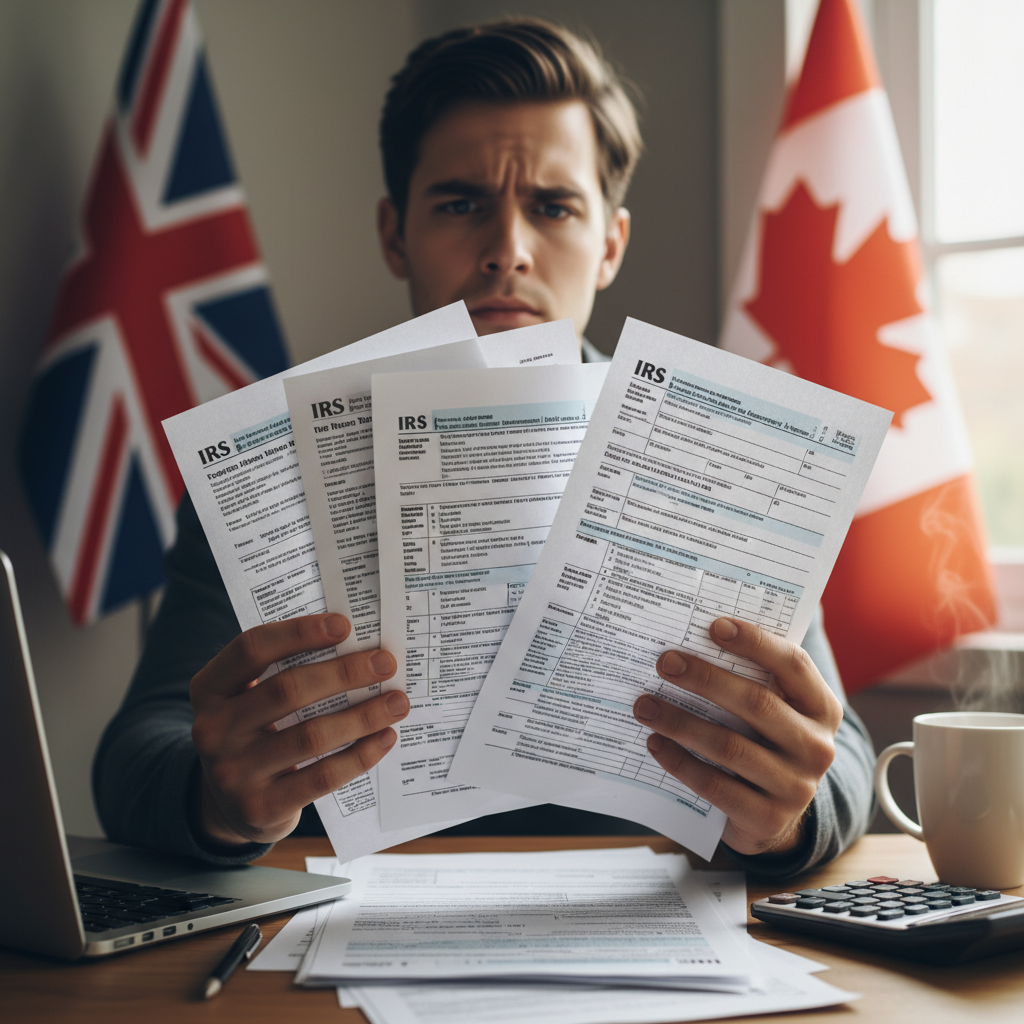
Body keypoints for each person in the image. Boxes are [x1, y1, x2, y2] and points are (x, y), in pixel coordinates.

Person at [94, 20, 875, 878]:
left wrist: (790, 816)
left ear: (610, 243)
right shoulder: (271, 468)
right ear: (395, 233)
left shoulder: (724, 451)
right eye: (461, 203)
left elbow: (838, 750)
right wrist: (215, 800)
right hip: (328, 941)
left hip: (649, 924)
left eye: (553, 207)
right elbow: (140, 748)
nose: (507, 250)